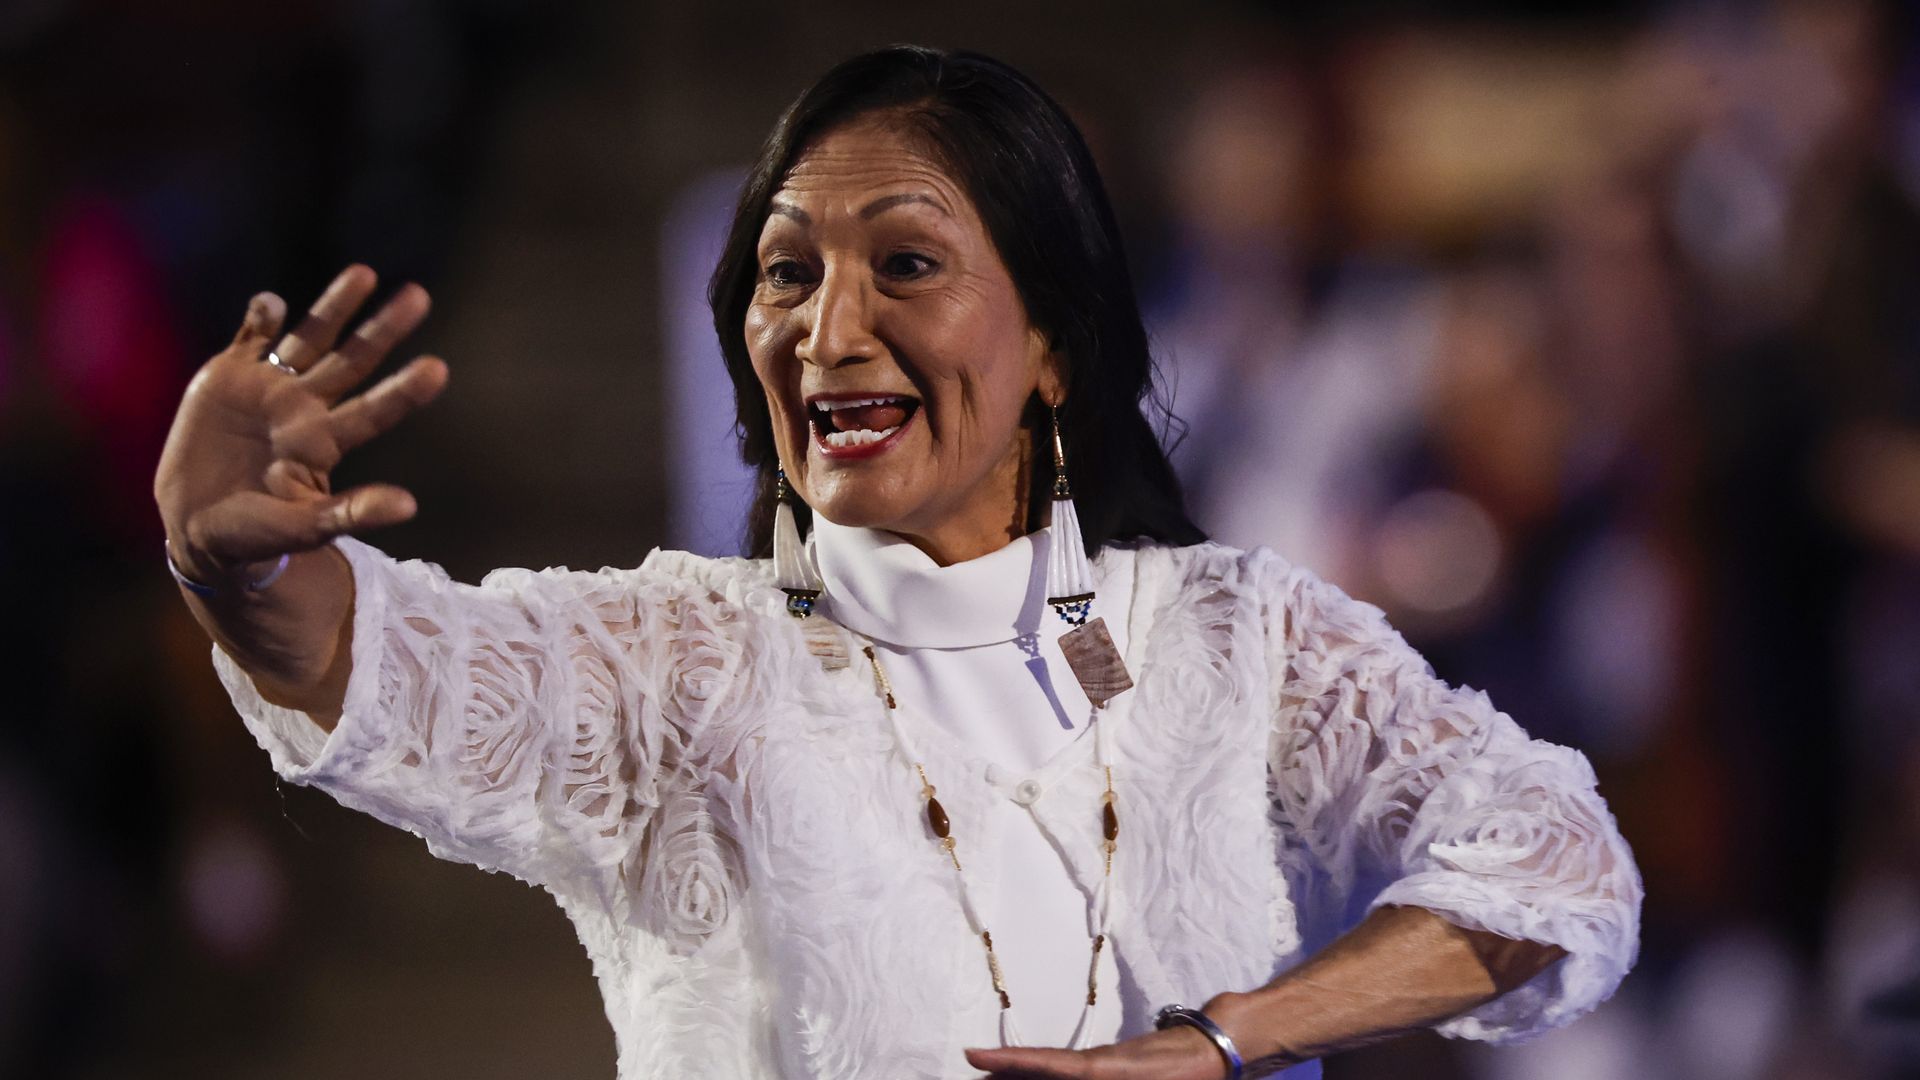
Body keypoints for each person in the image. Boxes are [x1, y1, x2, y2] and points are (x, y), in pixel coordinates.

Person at [153, 46, 1640, 1080]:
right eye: (788, 271)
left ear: (1052, 341)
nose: (826, 326)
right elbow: (383, 664)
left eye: (905, 265)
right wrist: (230, 565)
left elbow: (1559, 864)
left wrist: (1233, 1036)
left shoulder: (1234, 643)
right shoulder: (677, 667)